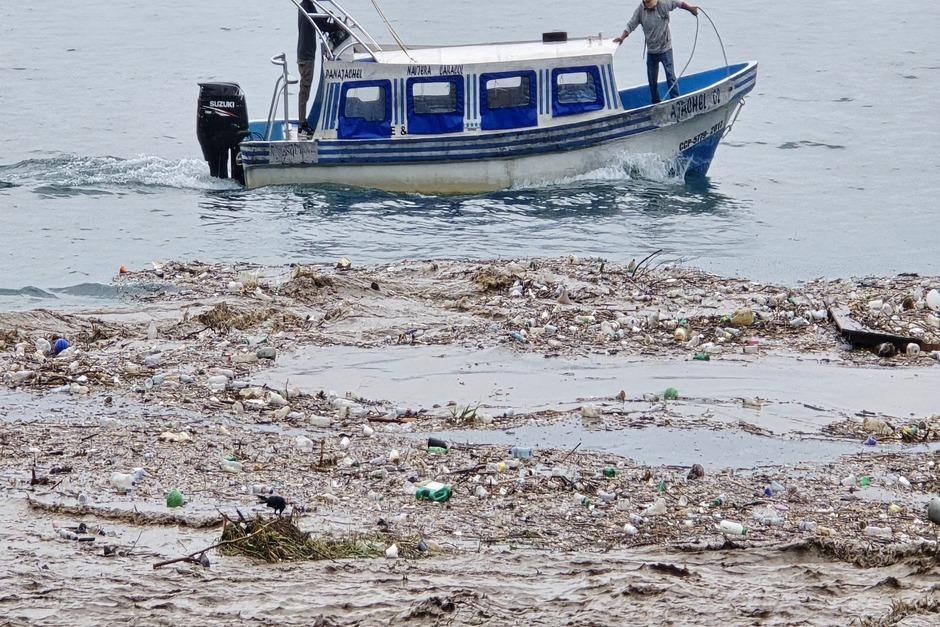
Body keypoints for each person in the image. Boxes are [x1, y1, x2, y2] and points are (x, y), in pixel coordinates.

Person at [614, 0, 699, 104]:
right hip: (652, 51)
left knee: (670, 76)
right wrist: (622, 38)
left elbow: (678, 3)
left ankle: (676, 101)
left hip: (665, 48)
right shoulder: (641, 10)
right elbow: (630, 25)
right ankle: (655, 102)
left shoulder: (662, 4)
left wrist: (691, 9)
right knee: (652, 80)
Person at [297, 0, 318, 135]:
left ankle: (302, 122)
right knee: (305, 90)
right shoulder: (308, 7)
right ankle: (302, 125)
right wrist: (336, 26)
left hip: (302, 53)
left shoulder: (303, 5)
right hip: (307, 56)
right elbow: (320, 24)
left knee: (304, 90)